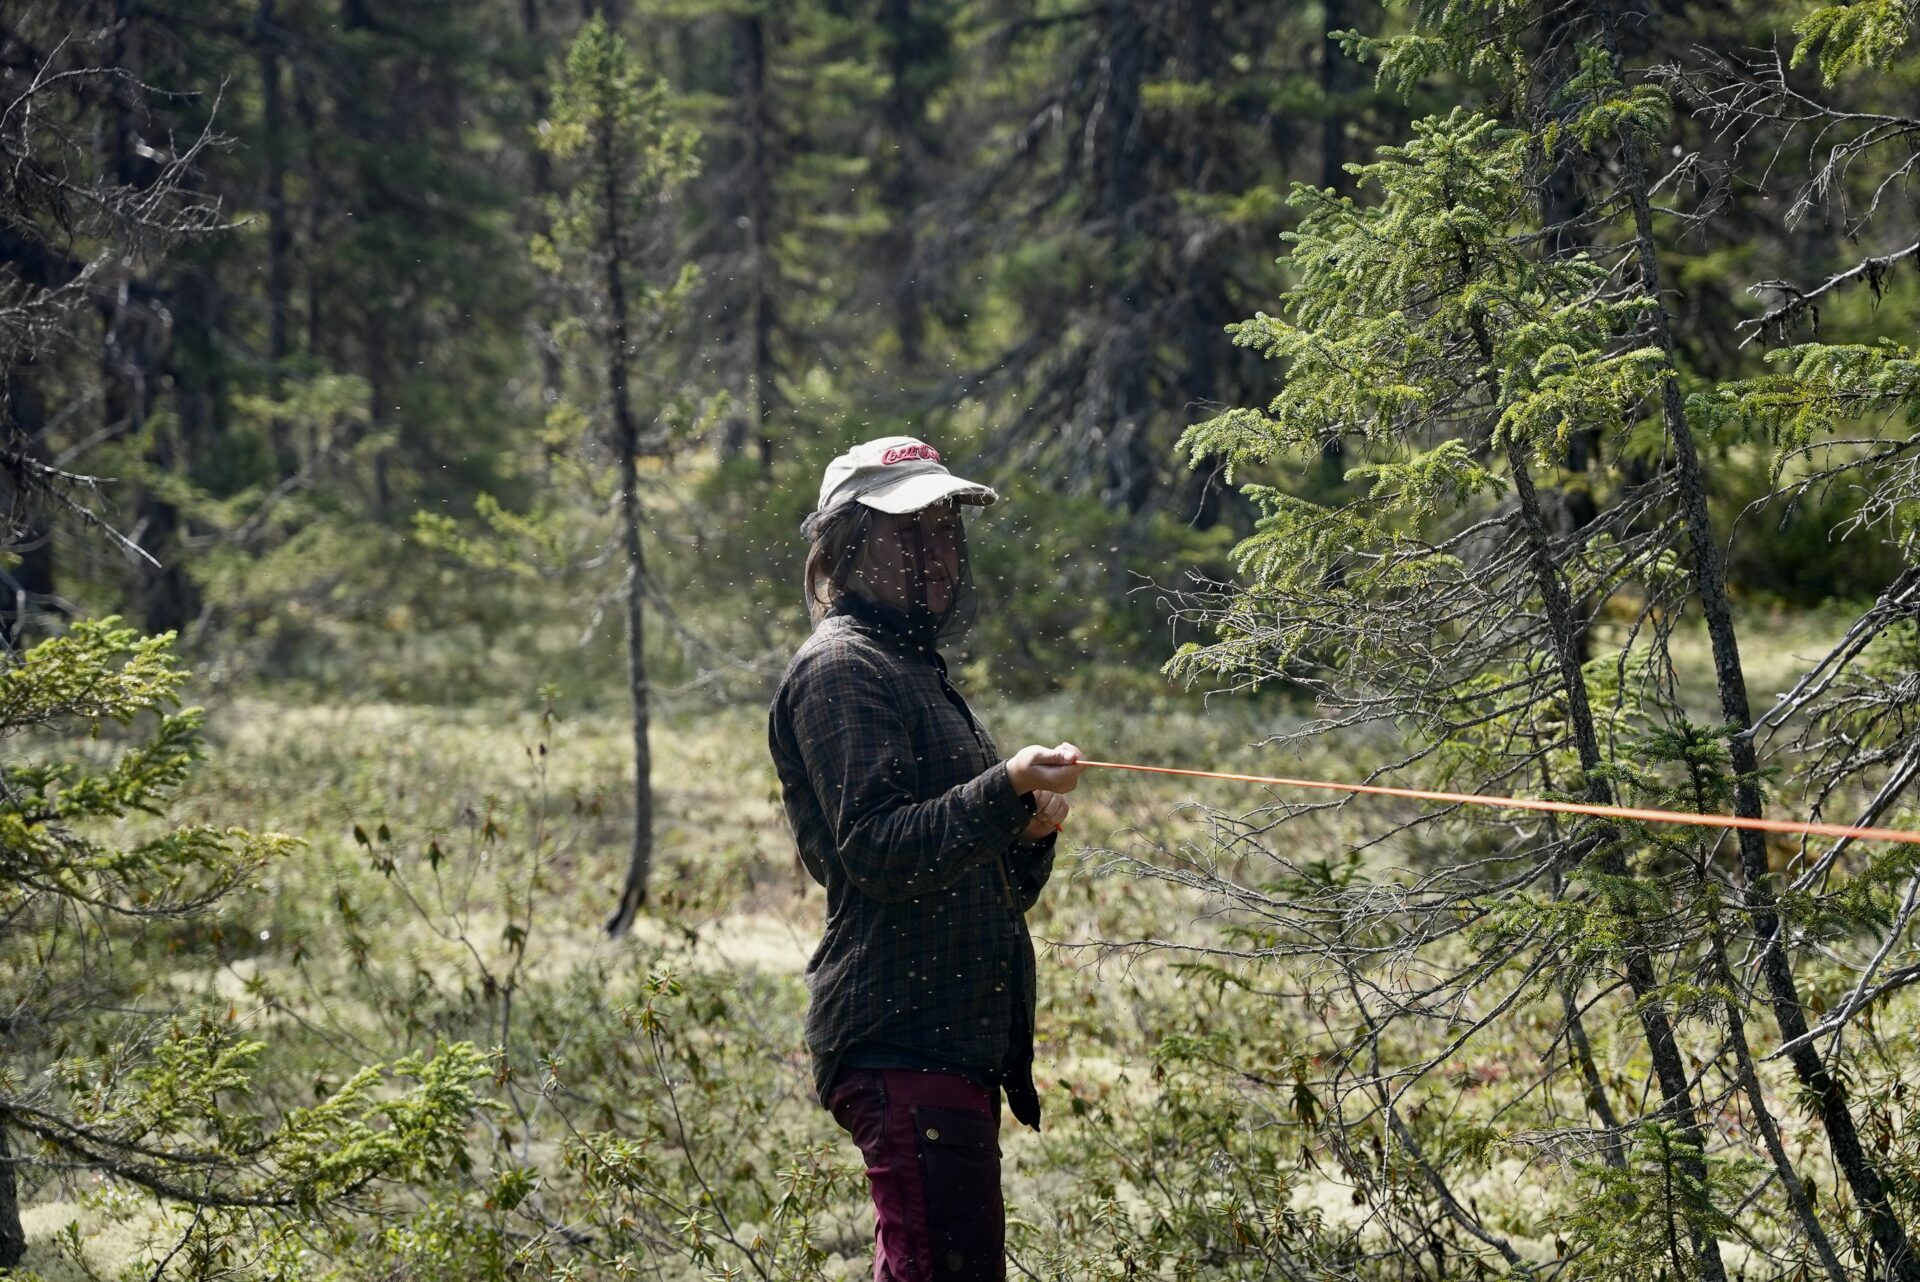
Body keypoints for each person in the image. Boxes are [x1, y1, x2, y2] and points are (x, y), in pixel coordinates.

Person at [768, 436, 1086, 1282]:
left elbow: (984, 883)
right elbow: (874, 850)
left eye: (944, 530)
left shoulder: (913, 668)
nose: (935, 553)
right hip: (900, 1041)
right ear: (846, 547)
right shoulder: (842, 669)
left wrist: (1029, 834)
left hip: (946, 1045)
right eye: (908, 533)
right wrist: (1002, 788)